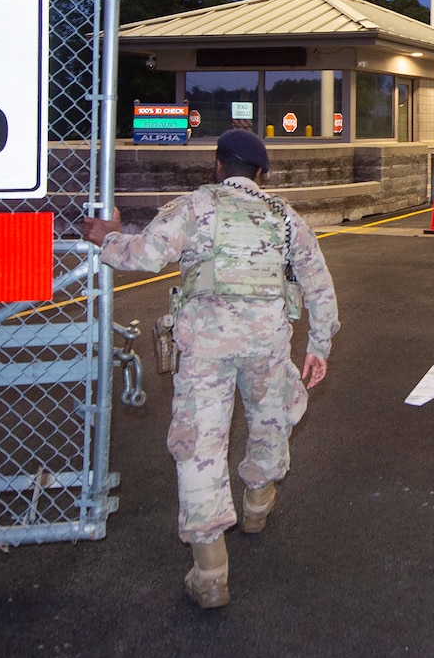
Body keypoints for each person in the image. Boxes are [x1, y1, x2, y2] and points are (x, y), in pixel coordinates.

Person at [81, 129, 337, 609]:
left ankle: (211, 571)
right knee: (268, 418)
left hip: (206, 344)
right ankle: (257, 505)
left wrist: (108, 238)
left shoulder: (194, 206)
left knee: (200, 443)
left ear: (218, 166)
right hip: (266, 340)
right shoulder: (283, 215)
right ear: (261, 174)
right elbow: (318, 281)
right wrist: (318, 343)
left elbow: (147, 254)